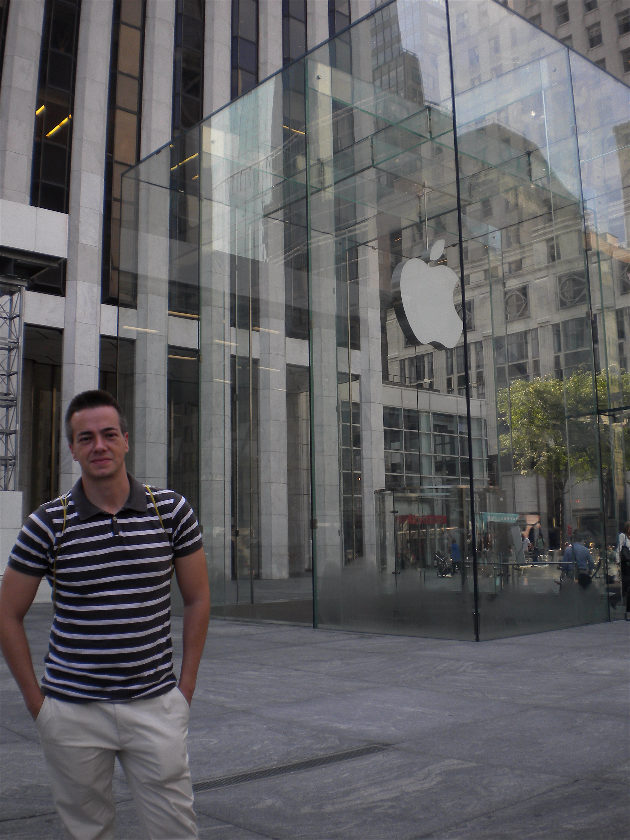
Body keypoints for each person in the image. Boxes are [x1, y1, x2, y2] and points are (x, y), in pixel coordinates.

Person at [0, 390, 210, 839]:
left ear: (126, 441)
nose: (99, 445)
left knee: (175, 829)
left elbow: (197, 598)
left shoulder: (170, 512)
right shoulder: (47, 524)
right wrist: (38, 705)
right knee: (88, 832)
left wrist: (184, 687)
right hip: (72, 711)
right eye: (86, 437)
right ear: (72, 448)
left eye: (109, 434)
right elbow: (7, 613)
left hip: (155, 704)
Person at [617, 521, 630, 620]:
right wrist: (618, 563)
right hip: (626, 566)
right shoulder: (623, 536)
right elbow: (619, 550)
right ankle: (627, 611)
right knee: (627, 587)